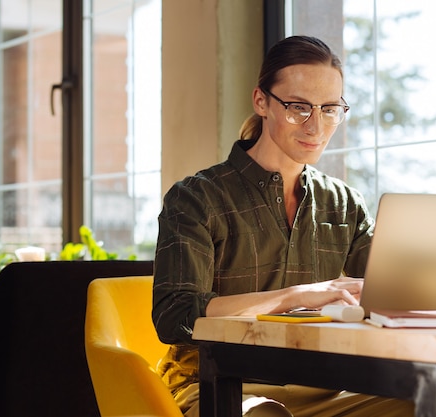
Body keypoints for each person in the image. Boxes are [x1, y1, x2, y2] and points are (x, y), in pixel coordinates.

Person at [152, 35, 414, 417]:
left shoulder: (341, 204)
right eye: (297, 107)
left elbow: (397, 286)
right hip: (217, 383)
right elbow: (175, 317)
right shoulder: (196, 199)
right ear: (261, 101)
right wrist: (296, 296)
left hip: (322, 385)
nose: (316, 126)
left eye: (329, 109)